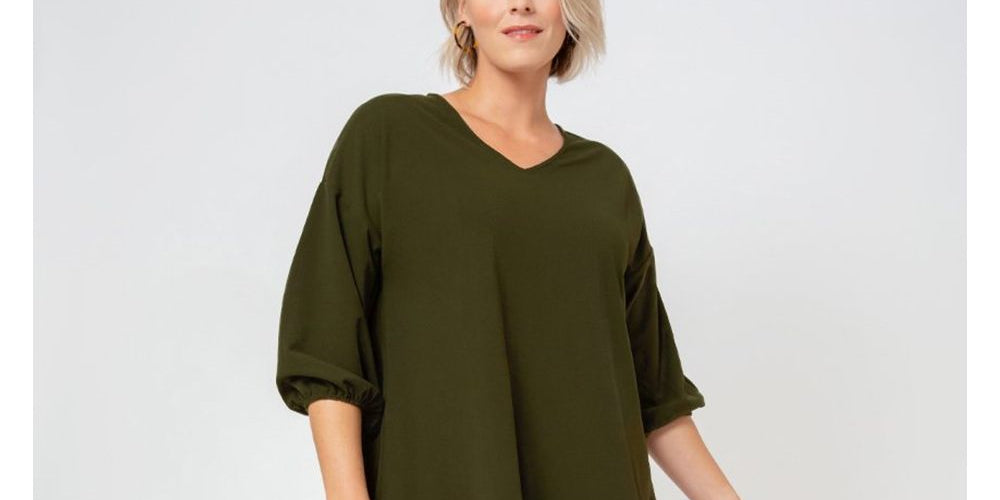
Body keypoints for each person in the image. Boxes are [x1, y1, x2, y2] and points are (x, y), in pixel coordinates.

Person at [275, 1, 741, 499]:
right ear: (461, 10)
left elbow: (656, 394)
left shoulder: (605, 180)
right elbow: (329, 347)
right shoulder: (389, 135)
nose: (521, 3)